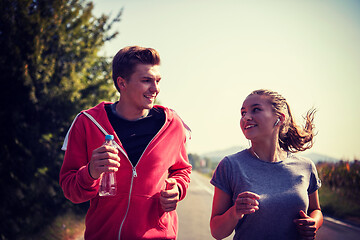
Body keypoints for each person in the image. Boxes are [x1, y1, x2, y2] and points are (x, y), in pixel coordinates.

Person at [59, 46, 192, 240]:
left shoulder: (172, 124)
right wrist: (91, 172)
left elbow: (182, 171)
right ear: (122, 83)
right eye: (146, 80)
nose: (155, 89)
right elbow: (71, 190)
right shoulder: (87, 123)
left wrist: (177, 188)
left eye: (157, 81)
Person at [210, 89, 323, 240]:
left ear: (279, 118)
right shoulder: (230, 165)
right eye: (243, 113)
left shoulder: (306, 166)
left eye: (255, 110)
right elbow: (217, 232)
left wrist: (314, 223)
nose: (246, 117)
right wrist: (234, 212)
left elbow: (316, 210)